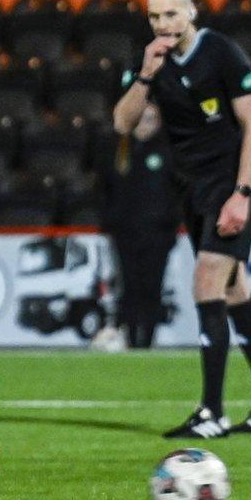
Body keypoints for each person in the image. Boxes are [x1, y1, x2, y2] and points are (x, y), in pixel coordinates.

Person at [112, 0, 251, 438]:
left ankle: (211, 412)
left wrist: (243, 193)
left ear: (192, 11)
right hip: (189, 188)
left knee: (208, 280)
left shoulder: (223, 53)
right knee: (234, 292)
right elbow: (126, 125)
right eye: (155, 17)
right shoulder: (151, 61)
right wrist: (146, 75)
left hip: (228, 184)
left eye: (171, 14)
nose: (163, 25)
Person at [101, 103, 179, 349]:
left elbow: (177, 193)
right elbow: (104, 191)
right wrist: (112, 221)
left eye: (151, 119)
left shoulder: (168, 152)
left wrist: (169, 226)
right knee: (129, 288)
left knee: (152, 289)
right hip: (125, 234)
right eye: (142, 118)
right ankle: (131, 340)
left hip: (158, 234)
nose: (146, 124)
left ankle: (148, 342)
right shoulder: (118, 151)